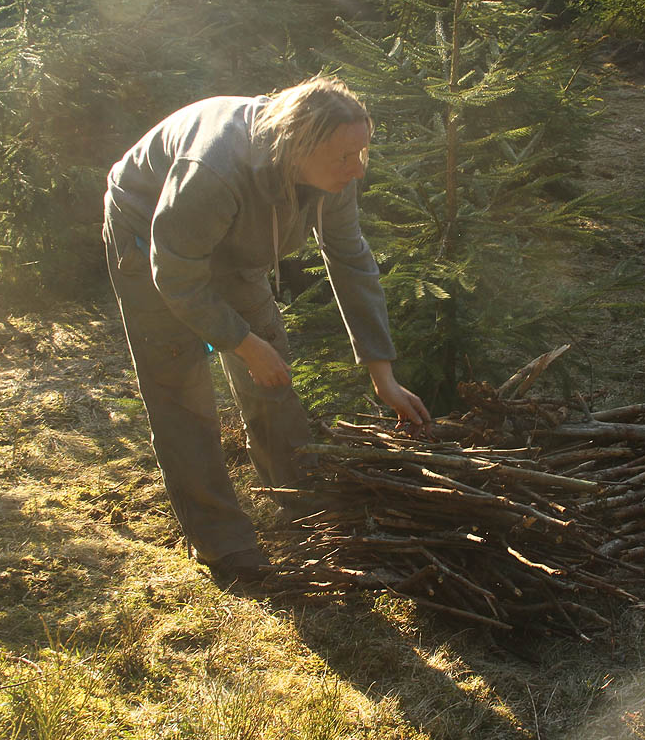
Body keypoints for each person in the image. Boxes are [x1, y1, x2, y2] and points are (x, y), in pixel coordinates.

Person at [102, 75, 430, 584]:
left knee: (272, 377)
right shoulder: (212, 169)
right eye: (346, 156)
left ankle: (304, 506)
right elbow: (177, 275)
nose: (357, 168)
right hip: (151, 241)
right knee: (182, 393)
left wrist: (381, 374)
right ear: (299, 144)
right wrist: (242, 342)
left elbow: (351, 260)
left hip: (233, 247)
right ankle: (223, 543)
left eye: (362, 152)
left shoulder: (332, 175)